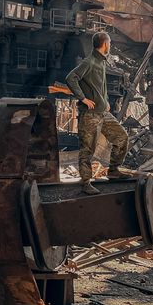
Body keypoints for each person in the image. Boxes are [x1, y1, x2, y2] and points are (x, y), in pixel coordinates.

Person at [66, 31, 129, 195]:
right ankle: (85, 183)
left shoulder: (101, 62)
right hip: (90, 114)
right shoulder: (90, 62)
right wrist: (83, 98)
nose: (110, 46)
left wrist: (105, 101)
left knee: (121, 137)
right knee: (87, 149)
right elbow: (71, 78)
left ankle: (113, 171)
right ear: (105, 44)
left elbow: (100, 86)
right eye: (110, 43)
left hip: (102, 113)